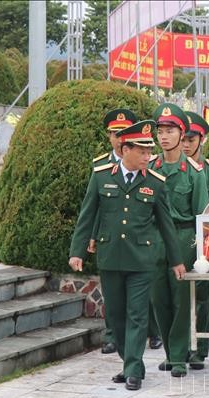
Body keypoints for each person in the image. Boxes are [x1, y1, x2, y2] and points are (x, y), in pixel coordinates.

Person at [68, 120, 185, 391]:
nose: (148, 157)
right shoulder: (101, 176)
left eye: (149, 151)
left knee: (137, 315)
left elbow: (167, 225)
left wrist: (176, 260)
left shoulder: (155, 183)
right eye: (142, 152)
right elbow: (87, 217)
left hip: (143, 259)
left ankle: (134, 368)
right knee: (117, 316)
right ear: (125, 149)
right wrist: (78, 252)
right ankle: (127, 362)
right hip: (110, 257)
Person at [150, 103, 209, 378]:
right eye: (160, 130)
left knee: (181, 299)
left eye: (170, 130)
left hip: (184, 237)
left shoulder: (195, 173)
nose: (164, 136)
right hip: (154, 239)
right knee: (158, 298)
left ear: (181, 133)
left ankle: (177, 355)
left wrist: (200, 253)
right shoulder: (149, 169)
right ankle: (172, 352)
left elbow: (201, 215)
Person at [93, 108, 137, 355]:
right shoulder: (100, 166)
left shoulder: (143, 162)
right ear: (109, 136)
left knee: (140, 289)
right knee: (113, 293)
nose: (119, 138)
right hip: (110, 238)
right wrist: (92, 236)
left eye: (124, 133)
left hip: (137, 238)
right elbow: (97, 206)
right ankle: (112, 336)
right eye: (115, 133)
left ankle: (149, 332)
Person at [182, 111, 209, 370]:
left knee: (202, 299)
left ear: (201, 139)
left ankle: (201, 349)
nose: (185, 144)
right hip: (179, 239)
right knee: (178, 298)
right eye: (182, 138)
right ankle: (179, 348)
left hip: (203, 242)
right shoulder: (167, 167)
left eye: (191, 138)